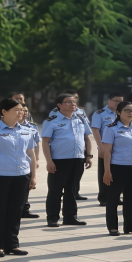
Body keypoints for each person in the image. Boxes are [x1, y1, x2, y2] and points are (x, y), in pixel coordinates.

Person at [0, 99, 37, 257]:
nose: (20, 112)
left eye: (21, 110)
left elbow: (31, 153)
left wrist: (33, 176)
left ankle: (12, 244)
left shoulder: (27, 130)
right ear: (4, 112)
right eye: (16, 110)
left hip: (21, 176)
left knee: (16, 211)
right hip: (0, 176)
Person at [42, 93, 93, 227]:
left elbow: (87, 138)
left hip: (78, 159)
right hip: (59, 160)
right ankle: (52, 217)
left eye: (74, 102)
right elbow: (45, 142)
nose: (72, 104)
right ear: (59, 105)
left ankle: (70, 217)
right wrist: (49, 161)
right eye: (68, 102)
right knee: (55, 190)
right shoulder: (51, 121)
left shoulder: (80, 119)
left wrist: (89, 156)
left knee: (72, 190)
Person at [101, 101, 132, 236]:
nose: (130, 113)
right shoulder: (111, 128)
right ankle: (113, 227)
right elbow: (107, 151)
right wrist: (107, 171)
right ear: (118, 112)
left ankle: (130, 226)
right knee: (113, 198)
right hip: (117, 166)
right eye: (127, 110)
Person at [90, 92, 124, 206]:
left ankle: (116, 197)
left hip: (119, 148)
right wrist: (100, 147)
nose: (118, 103)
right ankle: (104, 197)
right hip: (106, 147)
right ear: (109, 101)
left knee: (118, 173)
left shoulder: (122, 113)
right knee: (105, 172)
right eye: (116, 101)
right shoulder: (100, 114)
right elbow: (95, 130)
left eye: (120, 101)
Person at [18, 105, 40, 219]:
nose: (24, 113)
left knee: (27, 186)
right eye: (22, 110)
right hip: (14, 162)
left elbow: (36, 145)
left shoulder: (32, 127)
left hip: (27, 162)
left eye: (26, 111)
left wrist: (37, 159)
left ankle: (25, 209)